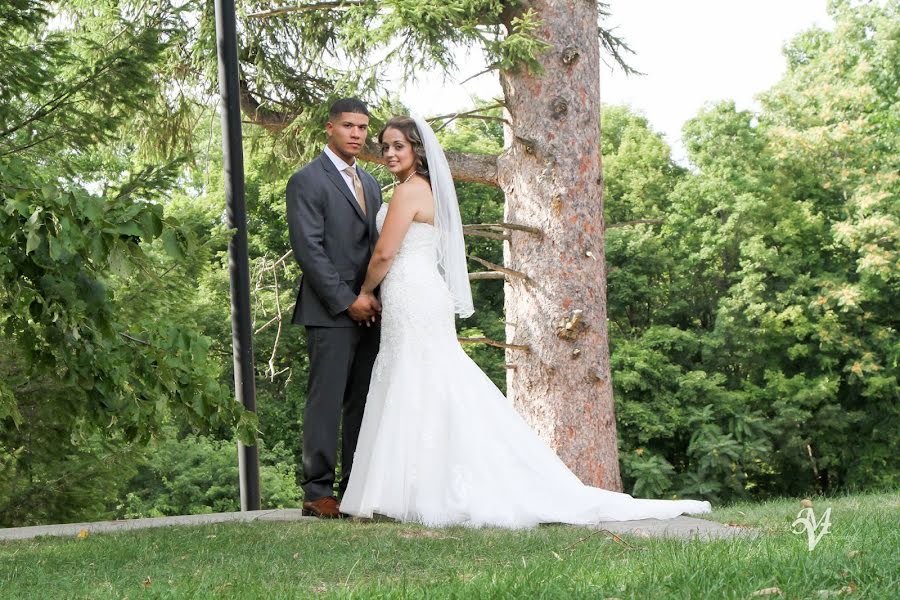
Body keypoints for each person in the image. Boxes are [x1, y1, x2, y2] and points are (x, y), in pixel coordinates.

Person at [338, 115, 712, 528]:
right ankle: (414, 487)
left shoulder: (410, 191)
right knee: (423, 381)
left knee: (418, 379)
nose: (390, 153)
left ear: (417, 151)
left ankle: (421, 488)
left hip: (411, 293)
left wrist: (365, 292)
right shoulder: (425, 190)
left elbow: (384, 254)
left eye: (398, 146)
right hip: (421, 293)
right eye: (386, 146)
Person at [285, 98, 383, 519]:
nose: (357, 134)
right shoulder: (307, 180)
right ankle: (317, 492)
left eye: (362, 127)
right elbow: (309, 250)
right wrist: (348, 301)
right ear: (329, 128)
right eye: (348, 126)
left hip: (372, 311)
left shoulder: (373, 183)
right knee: (326, 401)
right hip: (331, 311)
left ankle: (355, 488)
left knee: (362, 402)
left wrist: (373, 297)